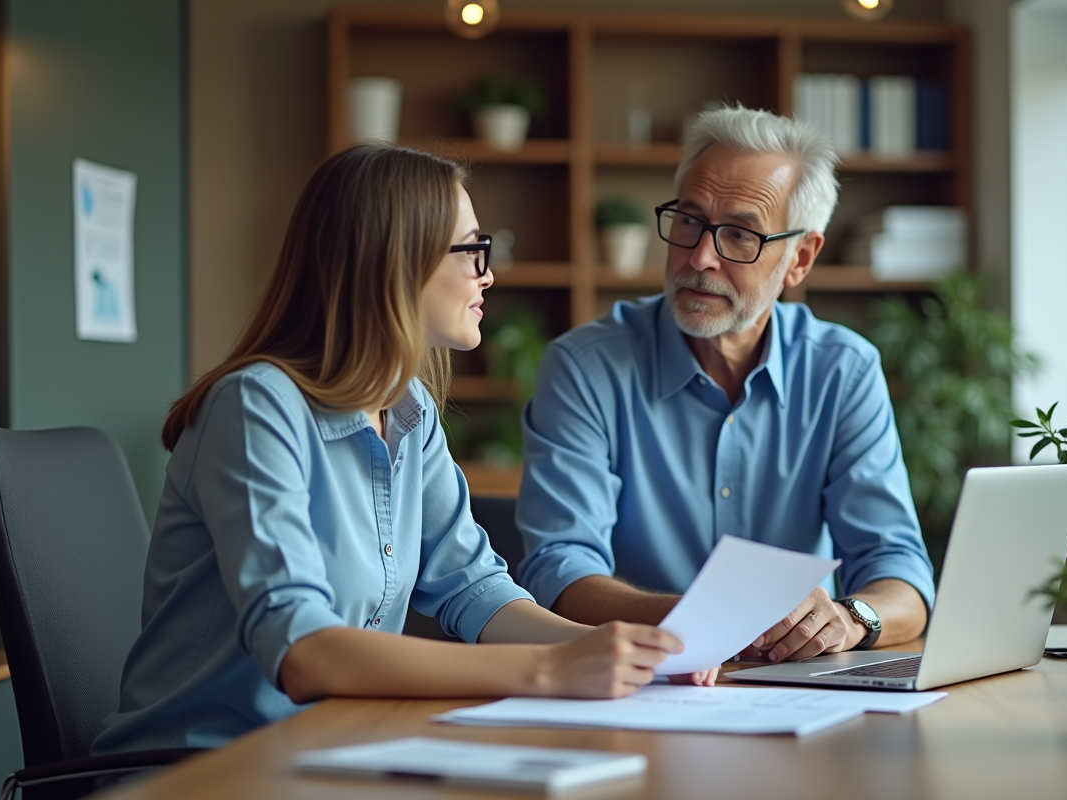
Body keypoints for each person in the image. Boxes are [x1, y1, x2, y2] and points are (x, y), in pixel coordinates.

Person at [92, 145, 693, 756]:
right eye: (472, 250)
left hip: (331, 752)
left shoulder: (409, 409)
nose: (487, 274)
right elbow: (303, 650)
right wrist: (549, 670)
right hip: (200, 769)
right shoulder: (255, 408)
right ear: (397, 264)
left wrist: (625, 654)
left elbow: (473, 589)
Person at [517, 106, 934, 665]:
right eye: (688, 221)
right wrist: (708, 623)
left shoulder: (844, 370)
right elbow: (559, 571)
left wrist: (850, 619)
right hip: (637, 682)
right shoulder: (585, 366)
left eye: (740, 235)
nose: (700, 257)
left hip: (799, 684)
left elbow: (900, 569)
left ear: (800, 259)